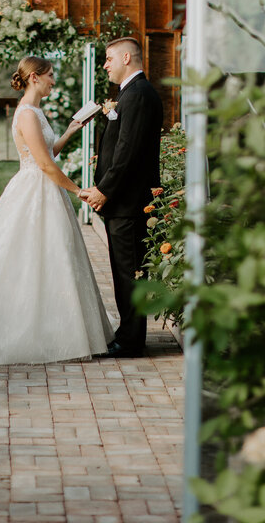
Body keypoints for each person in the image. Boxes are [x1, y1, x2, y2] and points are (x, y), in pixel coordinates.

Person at [0, 56, 114, 365]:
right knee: (29, 257)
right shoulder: (28, 114)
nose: (53, 81)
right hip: (35, 189)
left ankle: (54, 326)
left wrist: (71, 130)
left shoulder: (35, 112)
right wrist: (77, 190)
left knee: (53, 257)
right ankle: (27, 328)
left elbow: (46, 153)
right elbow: (44, 165)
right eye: (49, 76)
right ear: (34, 77)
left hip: (43, 187)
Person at [80, 37, 163, 359]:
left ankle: (130, 342)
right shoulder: (130, 94)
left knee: (129, 274)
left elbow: (128, 151)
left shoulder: (139, 95)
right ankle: (128, 335)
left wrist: (104, 190)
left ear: (126, 57)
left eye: (109, 58)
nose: (105, 65)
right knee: (125, 272)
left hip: (129, 202)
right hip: (125, 201)